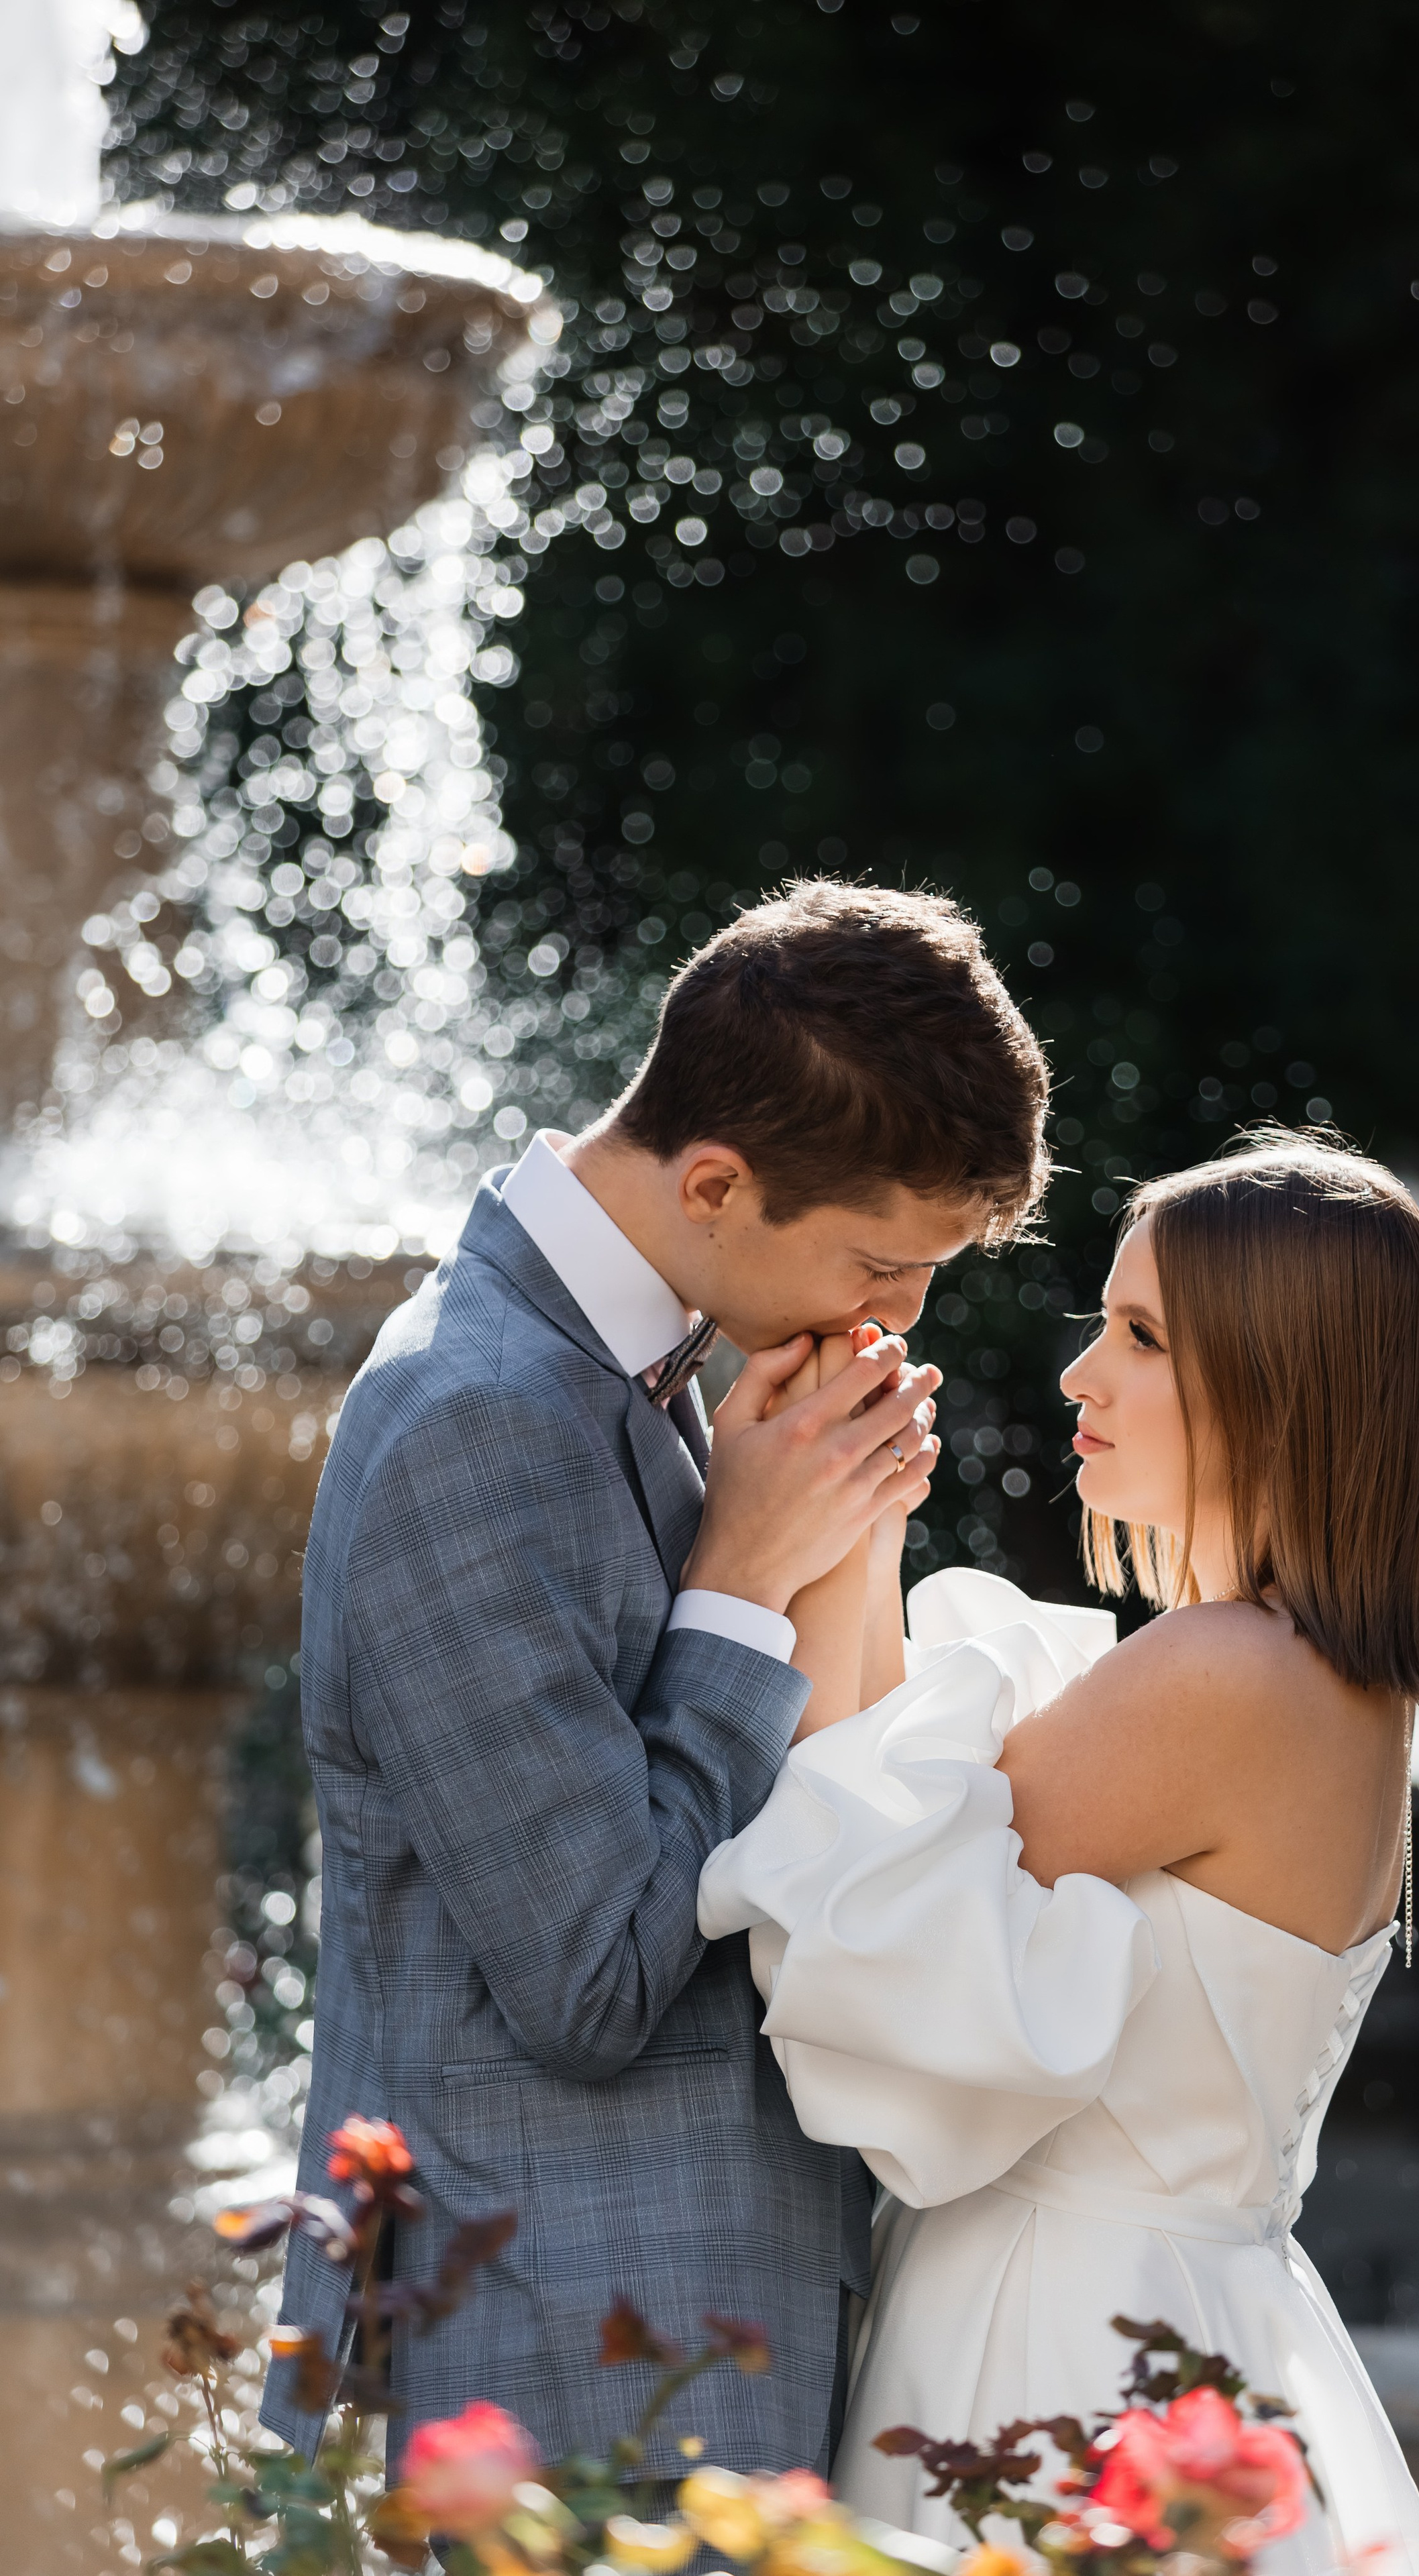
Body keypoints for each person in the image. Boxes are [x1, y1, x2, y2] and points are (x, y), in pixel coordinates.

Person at [260, 881, 1051, 2477]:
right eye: (882, 1264)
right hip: (541, 2379)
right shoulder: (471, 1417)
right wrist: (744, 1581)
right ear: (713, 1182)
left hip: (657, 2349)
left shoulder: (670, 1366)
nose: (904, 1316)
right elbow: (591, 1980)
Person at [700, 1132, 1419, 2576]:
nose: (1078, 1377)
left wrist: (807, 1528)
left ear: (1275, 1379)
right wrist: (861, 1528)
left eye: (1141, 1338)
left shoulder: (1223, 1676)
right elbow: (884, 1815)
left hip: (1062, 2332)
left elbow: (845, 1881)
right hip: (1190, 2309)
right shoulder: (1325, 1683)